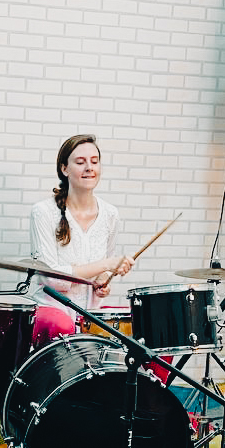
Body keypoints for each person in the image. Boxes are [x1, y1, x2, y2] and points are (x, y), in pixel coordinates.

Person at [28, 134, 135, 345]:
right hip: (53, 311)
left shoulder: (110, 214)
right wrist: (105, 265)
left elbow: (103, 271)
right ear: (64, 169)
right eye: (80, 162)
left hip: (91, 313)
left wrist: (103, 281)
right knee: (63, 324)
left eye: (94, 162)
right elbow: (52, 278)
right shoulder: (43, 212)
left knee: (143, 324)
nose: (89, 167)